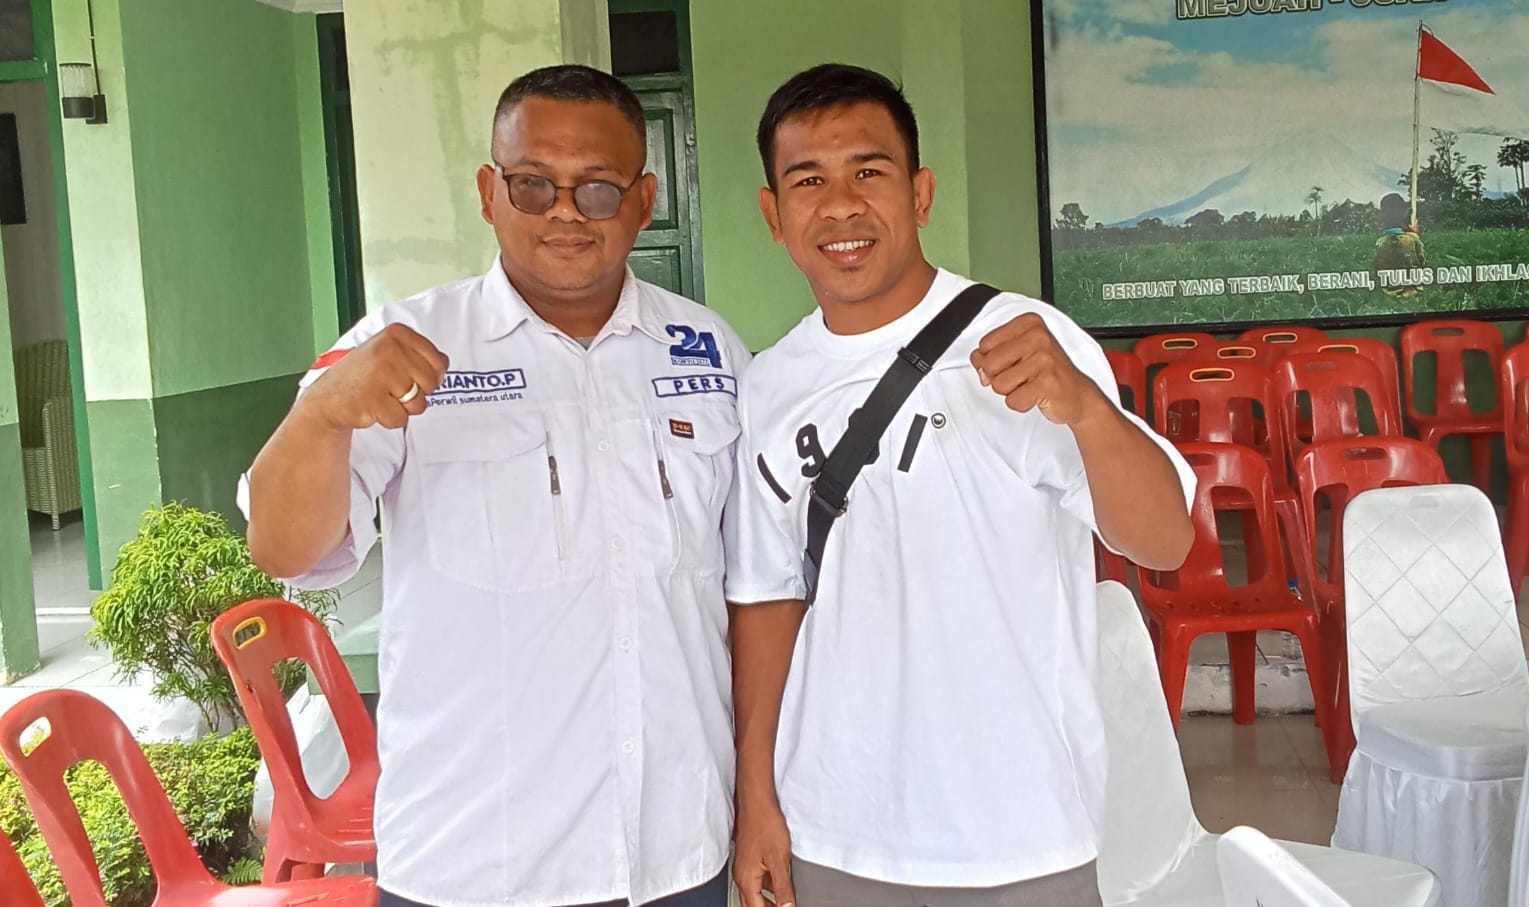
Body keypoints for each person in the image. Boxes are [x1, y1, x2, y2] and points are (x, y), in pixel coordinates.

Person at [241, 65, 748, 907]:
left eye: (598, 188)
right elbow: (285, 550)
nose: (565, 212)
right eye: (532, 184)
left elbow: (751, 587)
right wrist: (322, 415)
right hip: (477, 859)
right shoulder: (400, 347)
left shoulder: (709, 351)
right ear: (488, 192)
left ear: (644, 200)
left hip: (673, 848)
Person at [724, 64, 1197, 907]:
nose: (841, 206)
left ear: (921, 193)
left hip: (1020, 832)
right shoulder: (770, 384)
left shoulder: (1029, 340)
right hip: (835, 825)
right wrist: (755, 795)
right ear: (773, 215)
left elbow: (1164, 540)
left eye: (868, 171)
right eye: (809, 181)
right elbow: (767, 601)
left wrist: (1088, 412)